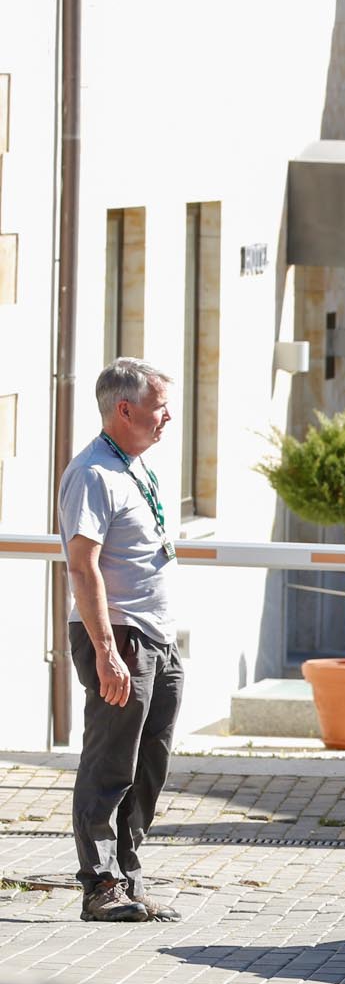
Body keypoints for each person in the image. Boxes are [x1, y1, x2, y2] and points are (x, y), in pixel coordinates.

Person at [59, 358, 185, 925]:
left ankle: (128, 878)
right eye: (159, 407)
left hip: (156, 638)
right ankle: (100, 884)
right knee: (111, 763)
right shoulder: (92, 473)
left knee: (149, 764)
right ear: (125, 410)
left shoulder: (133, 467)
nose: (167, 418)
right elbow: (82, 568)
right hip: (121, 639)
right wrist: (107, 652)